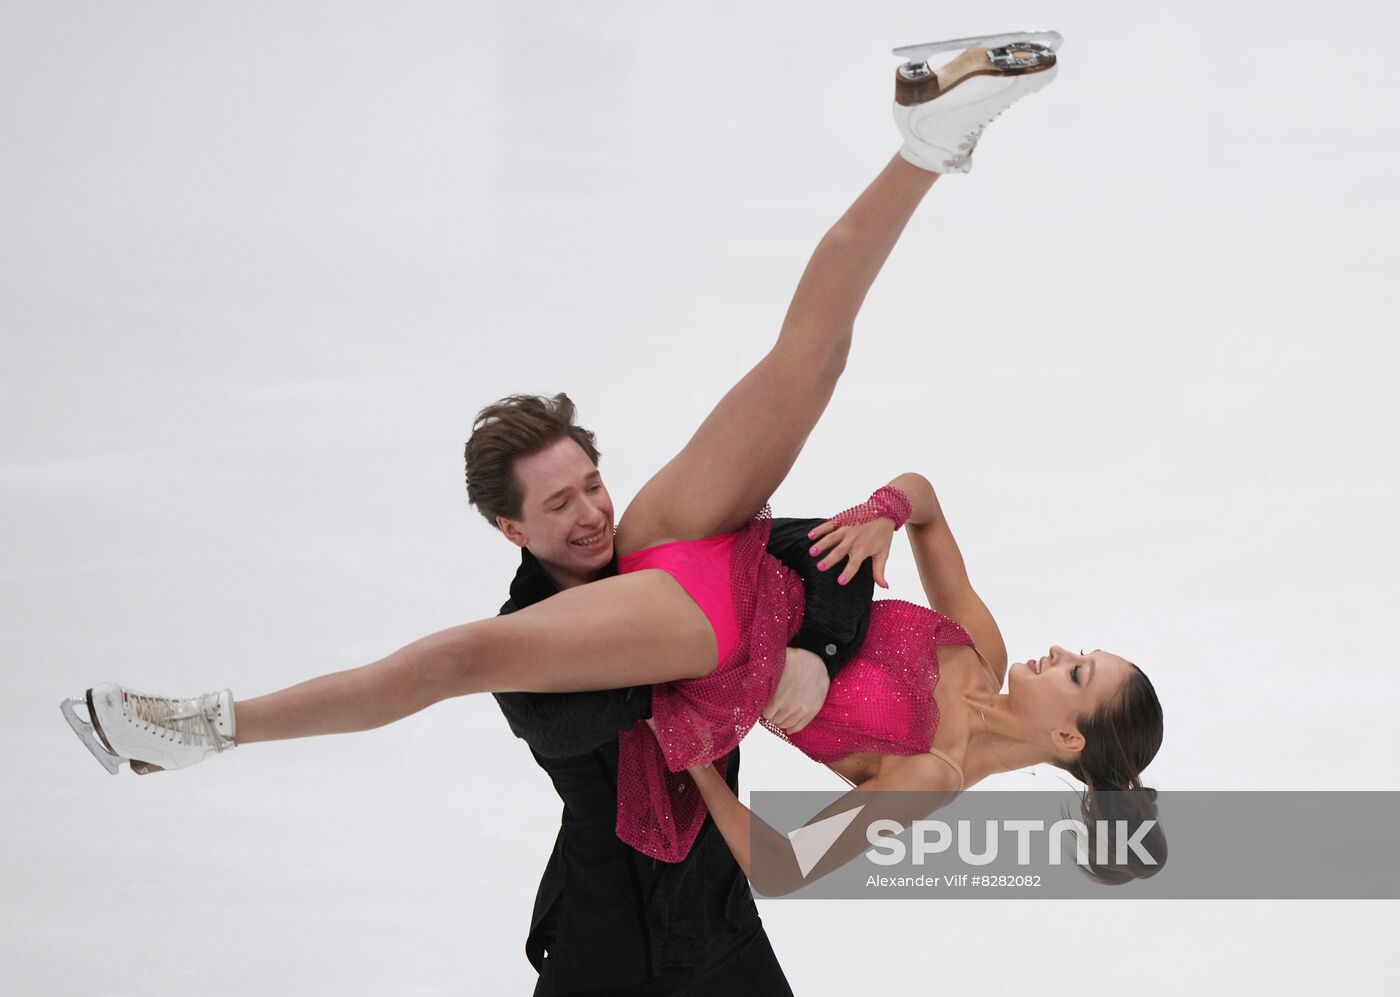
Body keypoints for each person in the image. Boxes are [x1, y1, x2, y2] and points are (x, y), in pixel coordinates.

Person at [68, 28, 1161, 968]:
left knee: (462, 659)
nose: (1058, 648)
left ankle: (206, 727)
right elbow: (922, 499)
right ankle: (931, 131)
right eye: (1082, 646)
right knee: (811, 358)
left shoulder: (930, 772)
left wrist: (702, 764)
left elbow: (786, 868)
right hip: (720, 541)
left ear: (1069, 738)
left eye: (1076, 669)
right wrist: (883, 506)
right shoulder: (980, 636)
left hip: (705, 626)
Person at [472, 392, 881, 993]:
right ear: (513, 529)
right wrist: (719, 668)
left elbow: (831, 552)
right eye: (560, 503)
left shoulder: (669, 559)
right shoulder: (520, 639)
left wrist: (813, 653)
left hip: (721, 918)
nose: (591, 514)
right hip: (604, 951)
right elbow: (555, 722)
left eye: (593, 485)